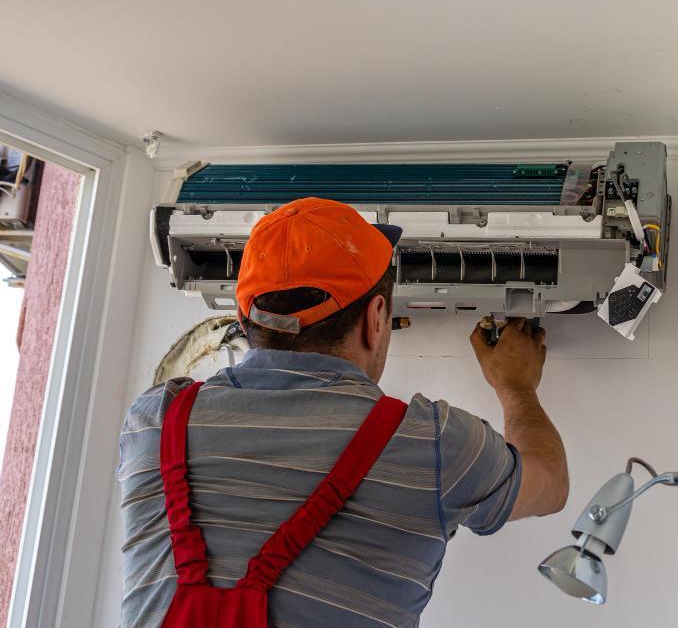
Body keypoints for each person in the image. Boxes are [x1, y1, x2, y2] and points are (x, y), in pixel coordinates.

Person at [117, 197, 569, 627]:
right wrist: (516, 386)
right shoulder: (433, 443)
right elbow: (550, 484)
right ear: (376, 318)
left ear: (243, 317)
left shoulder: (156, 421)